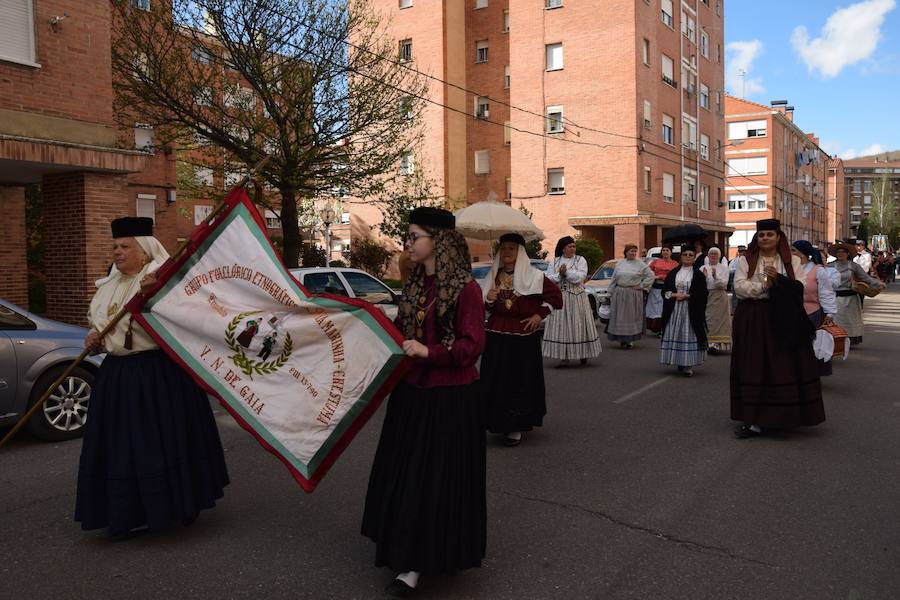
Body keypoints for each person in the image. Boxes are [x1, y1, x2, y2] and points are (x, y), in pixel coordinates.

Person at [75, 217, 229, 541]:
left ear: (143, 251)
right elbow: (103, 323)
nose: (116, 252)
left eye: (124, 246)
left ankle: (175, 505)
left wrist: (155, 297)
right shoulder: (111, 281)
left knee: (158, 445)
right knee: (120, 449)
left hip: (159, 376)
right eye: (114, 246)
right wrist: (94, 337)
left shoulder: (163, 278)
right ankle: (125, 511)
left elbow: (184, 320)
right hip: (117, 376)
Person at [362, 207, 486, 597]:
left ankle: (420, 562)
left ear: (440, 240)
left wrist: (428, 352)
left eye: (414, 236)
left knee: (432, 481)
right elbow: (402, 332)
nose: (408, 243)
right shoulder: (416, 285)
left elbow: (471, 347)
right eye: (408, 236)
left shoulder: (467, 289)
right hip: (411, 395)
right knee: (405, 476)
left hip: (449, 400)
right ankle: (405, 553)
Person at [730, 219, 824, 439]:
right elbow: (739, 288)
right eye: (761, 235)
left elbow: (799, 287)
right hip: (753, 318)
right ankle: (754, 420)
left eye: (769, 235)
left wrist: (778, 280)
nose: (765, 238)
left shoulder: (791, 261)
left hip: (784, 319)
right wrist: (765, 285)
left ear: (778, 237)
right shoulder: (747, 260)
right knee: (755, 365)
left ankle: (785, 417)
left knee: (784, 365)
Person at [481, 233, 562, 447]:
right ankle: (496, 421)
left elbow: (555, 297)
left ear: (520, 252)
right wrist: (489, 299)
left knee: (518, 380)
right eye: (504, 248)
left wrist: (538, 315)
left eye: (511, 248)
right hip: (497, 333)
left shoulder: (534, 276)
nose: (507, 252)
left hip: (522, 337)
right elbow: (485, 307)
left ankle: (516, 425)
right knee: (495, 378)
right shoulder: (493, 276)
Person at [542, 236, 602, 366]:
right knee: (562, 327)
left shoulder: (580, 260)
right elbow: (549, 279)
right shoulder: (555, 262)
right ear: (563, 248)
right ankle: (564, 356)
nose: (573, 249)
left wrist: (566, 273)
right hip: (561, 298)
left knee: (578, 325)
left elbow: (580, 277)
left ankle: (583, 353)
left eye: (574, 246)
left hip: (577, 297)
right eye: (570, 246)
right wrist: (559, 275)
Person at [791, 240, 839, 376]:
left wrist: (830, 313)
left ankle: (810, 375)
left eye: (793, 250)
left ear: (802, 254)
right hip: (792, 313)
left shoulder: (818, 271)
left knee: (811, 347)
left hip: (812, 314)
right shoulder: (789, 270)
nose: (790, 253)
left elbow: (826, 293)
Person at [659, 247, 708, 376]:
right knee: (675, 334)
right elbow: (664, 292)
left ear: (694, 257)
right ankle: (679, 361)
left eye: (691, 254)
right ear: (680, 257)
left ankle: (688, 366)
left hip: (690, 310)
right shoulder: (673, 273)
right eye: (685, 254)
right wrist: (675, 295)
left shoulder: (698, 275)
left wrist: (687, 296)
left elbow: (703, 294)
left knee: (688, 334)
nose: (687, 256)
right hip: (674, 310)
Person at [829, 241, 884, 346]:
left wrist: (878, 283)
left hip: (851, 298)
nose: (840, 254)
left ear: (848, 254)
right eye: (838, 252)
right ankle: (837, 341)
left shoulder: (853, 266)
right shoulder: (830, 266)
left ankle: (850, 341)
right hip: (836, 299)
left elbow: (866, 278)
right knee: (837, 321)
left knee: (850, 321)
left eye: (843, 252)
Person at [605, 243, 655, 348]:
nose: (633, 253)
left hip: (633, 294)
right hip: (620, 293)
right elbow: (614, 278)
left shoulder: (640, 264)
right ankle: (621, 339)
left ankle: (630, 340)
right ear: (626, 252)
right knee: (620, 317)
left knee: (631, 317)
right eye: (631, 251)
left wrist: (642, 285)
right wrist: (609, 293)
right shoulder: (620, 263)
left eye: (634, 251)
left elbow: (651, 275)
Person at [700, 247, 731, 352]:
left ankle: (717, 344)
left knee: (719, 320)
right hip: (707, 295)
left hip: (720, 296)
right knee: (708, 319)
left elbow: (723, 284)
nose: (713, 256)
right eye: (711, 254)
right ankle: (708, 343)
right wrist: (703, 278)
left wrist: (715, 276)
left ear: (719, 256)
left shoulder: (724, 268)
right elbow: (700, 285)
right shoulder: (703, 268)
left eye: (715, 254)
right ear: (708, 256)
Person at [645, 245, 678, 335]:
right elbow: (648, 273)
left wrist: (662, 276)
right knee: (655, 309)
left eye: (667, 250)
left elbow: (676, 276)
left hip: (668, 288)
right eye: (663, 250)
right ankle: (657, 328)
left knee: (665, 307)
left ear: (671, 252)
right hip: (655, 288)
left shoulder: (675, 264)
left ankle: (665, 327)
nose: (665, 252)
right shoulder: (655, 262)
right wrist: (653, 277)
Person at [728, 245, 746, 314]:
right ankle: (734, 310)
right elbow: (729, 270)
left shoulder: (747, 260)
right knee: (735, 297)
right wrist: (737, 269)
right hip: (735, 281)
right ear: (739, 252)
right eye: (741, 251)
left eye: (743, 251)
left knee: (743, 296)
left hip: (745, 281)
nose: (742, 253)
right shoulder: (734, 261)